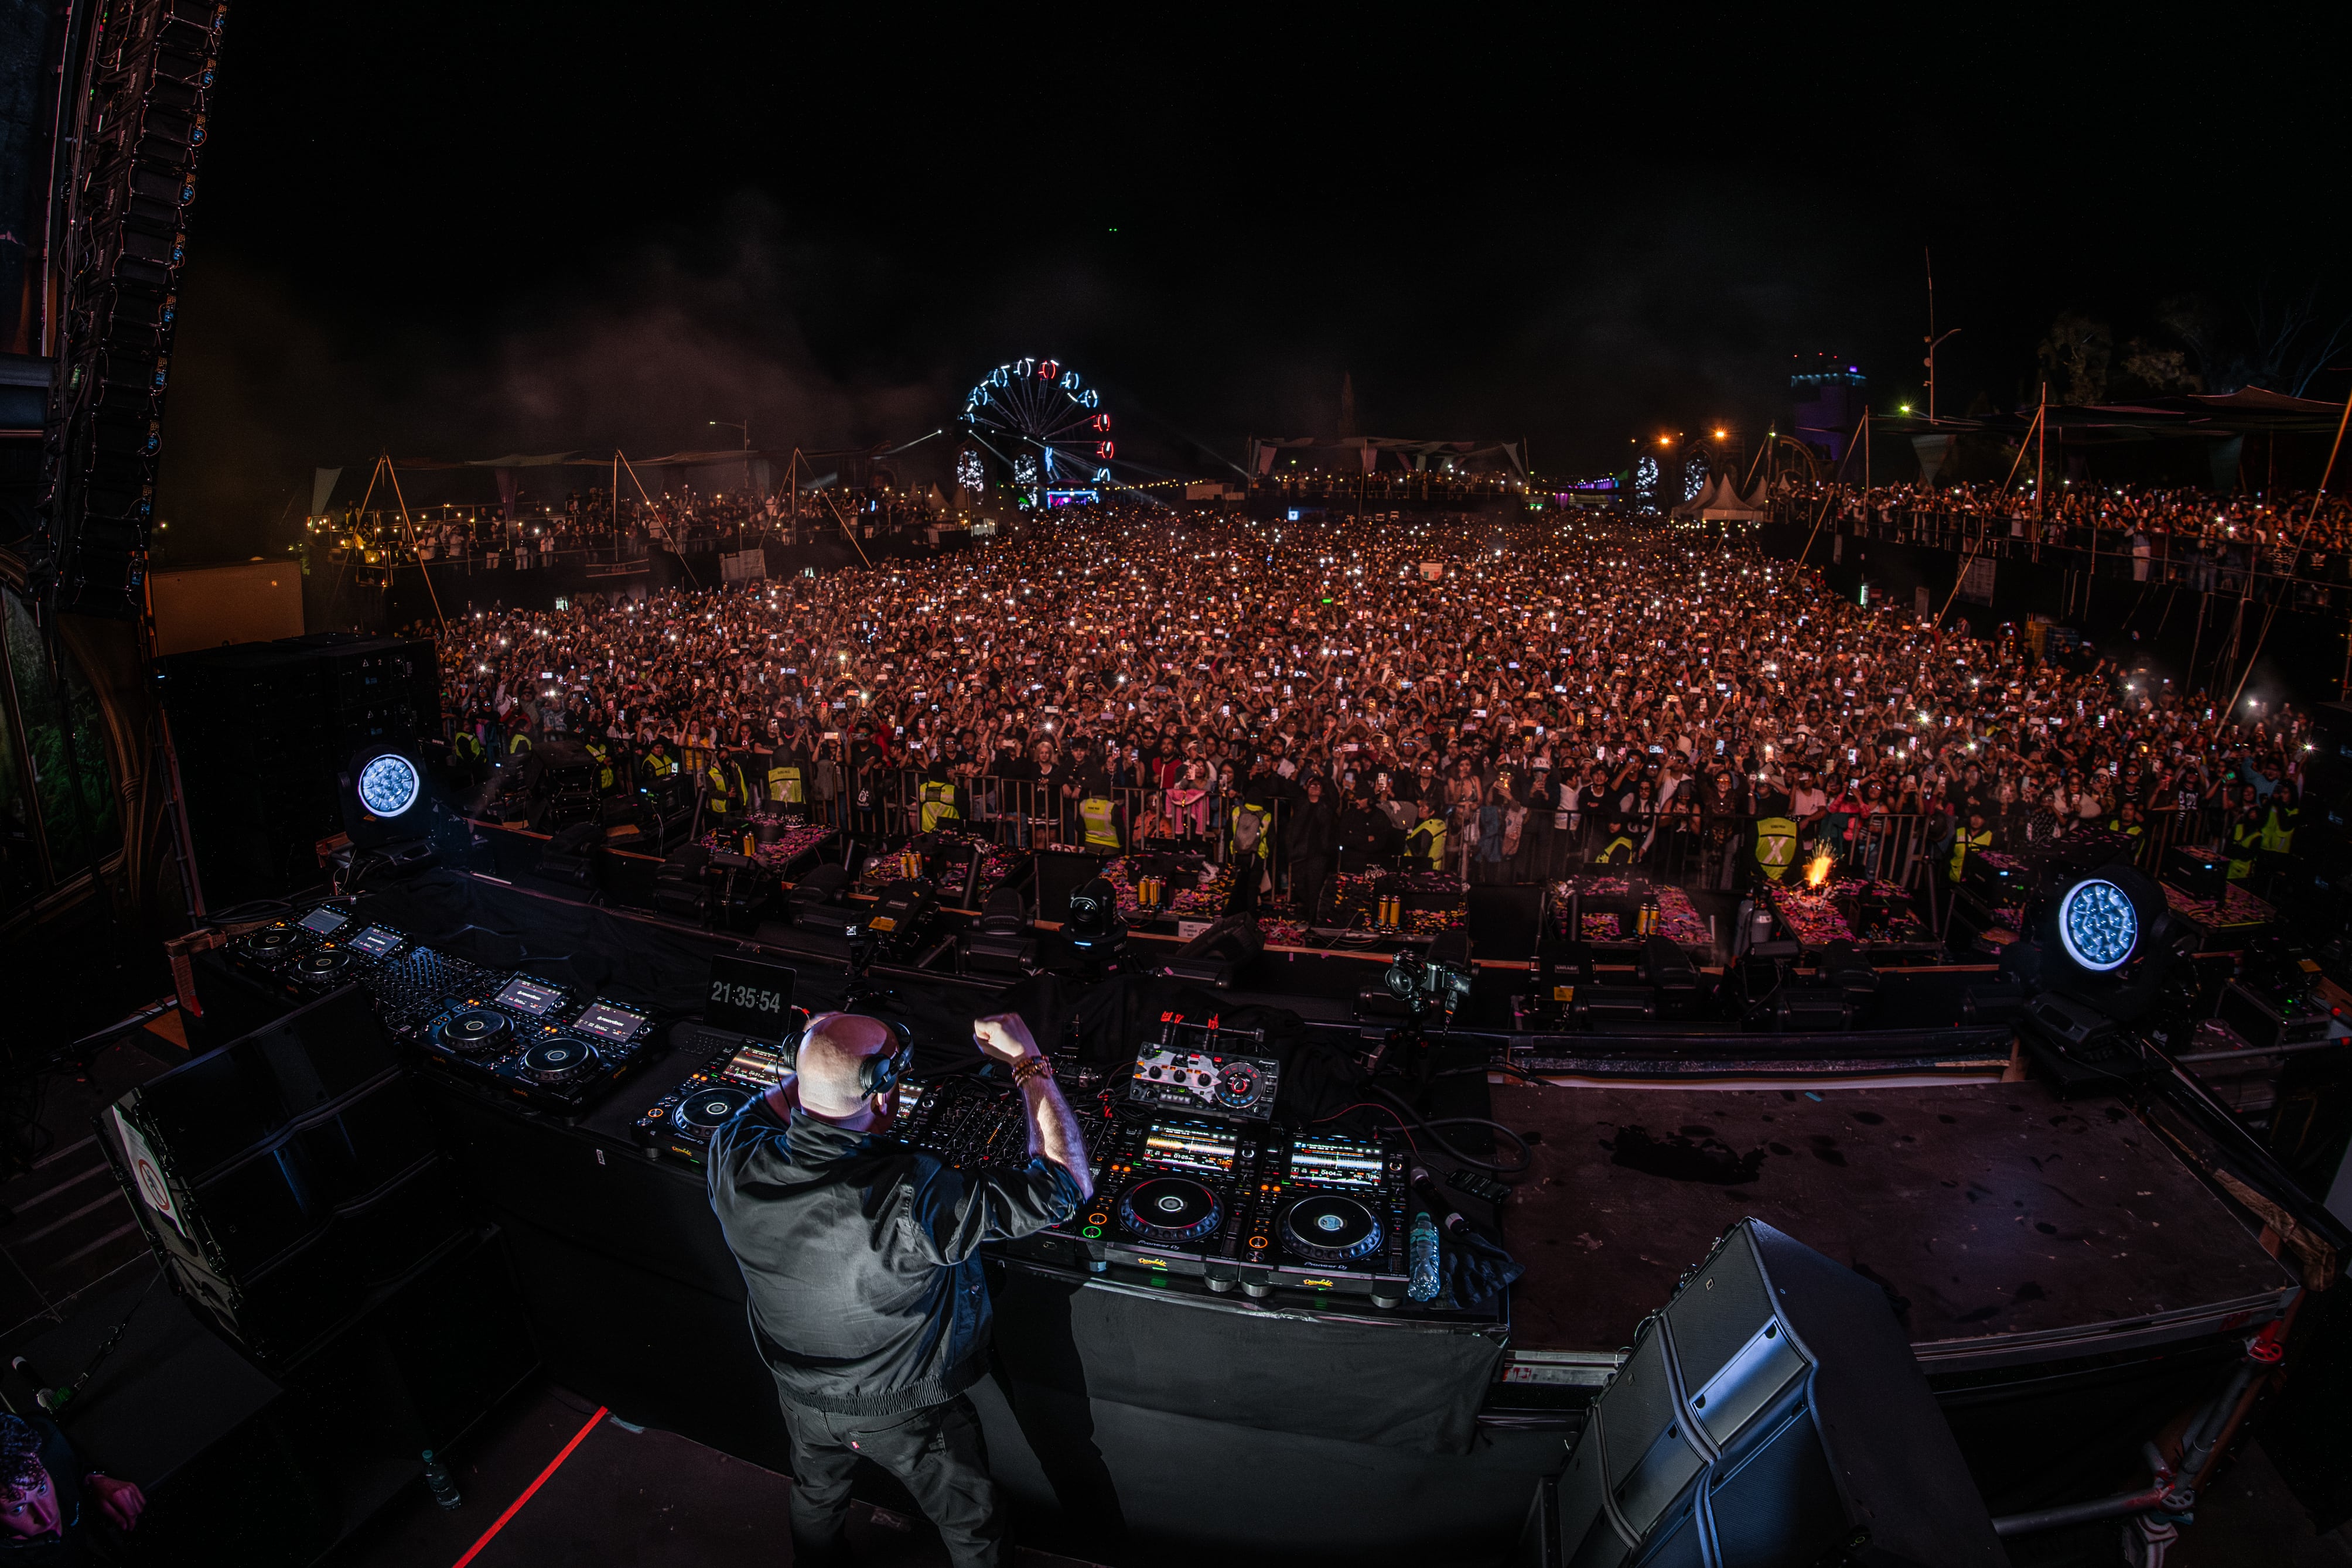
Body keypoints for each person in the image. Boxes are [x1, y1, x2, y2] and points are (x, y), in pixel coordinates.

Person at [707, 1012, 1090, 1568]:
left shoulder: (733, 1154)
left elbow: (785, 1100)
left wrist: (824, 1050)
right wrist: (1029, 1062)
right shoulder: (913, 1190)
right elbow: (1065, 1185)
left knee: (816, 1493)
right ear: (883, 1091)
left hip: (799, 1391)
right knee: (972, 1523)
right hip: (903, 1408)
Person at [0, 1410, 145, 1561]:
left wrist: (94, 1478)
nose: (48, 1518)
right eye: (18, 1509)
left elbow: (77, 1465)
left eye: (42, 1488)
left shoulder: (48, 1442)